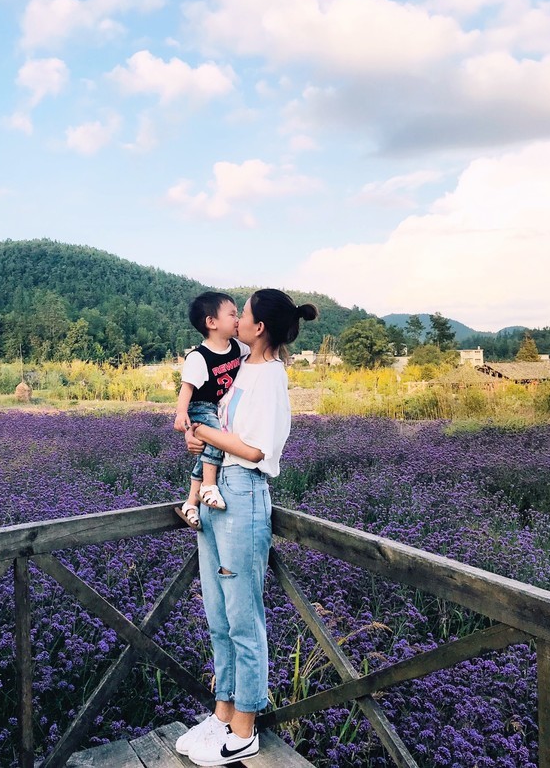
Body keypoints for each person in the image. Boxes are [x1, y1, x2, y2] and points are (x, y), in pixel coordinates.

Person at [174, 289, 317, 767]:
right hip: (221, 495)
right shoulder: (242, 370)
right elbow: (223, 425)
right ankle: (222, 712)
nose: (238, 318)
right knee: (218, 614)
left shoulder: (270, 378)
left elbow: (254, 449)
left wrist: (202, 434)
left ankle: (245, 727)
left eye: (246, 313)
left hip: (244, 495)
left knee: (243, 619)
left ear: (259, 329)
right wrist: (204, 442)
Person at [173, 291, 248, 530]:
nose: (237, 319)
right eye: (232, 314)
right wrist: (181, 414)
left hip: (216, 407)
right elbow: (186, 388)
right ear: (211, 322)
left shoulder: (237, 347)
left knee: (208, 450)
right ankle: (208, 485)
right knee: (217, 438)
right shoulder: (199, 356)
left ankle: (191, 502)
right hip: (201, 407)